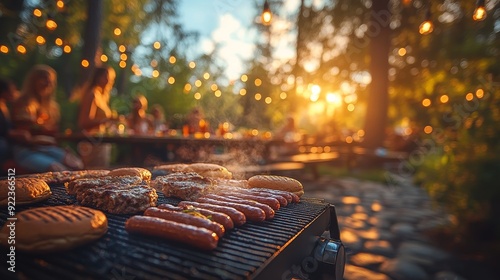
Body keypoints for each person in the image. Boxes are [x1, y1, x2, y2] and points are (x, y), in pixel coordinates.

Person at [10, 65, 83, 173]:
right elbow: (23, 133)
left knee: (77, 164)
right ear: (33, 81)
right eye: (43, 79)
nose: (48, 83)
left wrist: (64, 148)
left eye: (51, 80)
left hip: (48, 149)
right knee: (58, 170)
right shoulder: (23, 103)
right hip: (26, 150)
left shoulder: (52, 107)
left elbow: (53, 134)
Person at [75, 66, 116, 168]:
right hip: (91, 143)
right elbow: (83, 122)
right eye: (105, 77)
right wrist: (106, 120)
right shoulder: (92, 94)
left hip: (101, 141)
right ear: (97, 77)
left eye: (110, 78)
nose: (108, 80)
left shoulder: (101, 96)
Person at [0, 78, 19, 166]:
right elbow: (5, 131)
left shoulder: (4, 106)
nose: (14, 93)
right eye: (11, 90)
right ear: (4, 92)